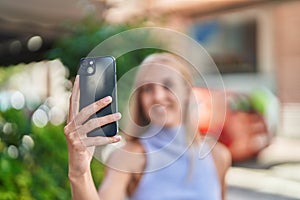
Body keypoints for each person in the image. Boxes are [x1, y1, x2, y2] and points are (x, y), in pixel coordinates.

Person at [64, 52, 231, 200]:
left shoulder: (218, 155)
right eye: (148, 88)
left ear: (187, 91)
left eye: (168, 85)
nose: (157, 96)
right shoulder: (128, 157)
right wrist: (80, 174)